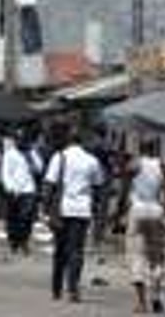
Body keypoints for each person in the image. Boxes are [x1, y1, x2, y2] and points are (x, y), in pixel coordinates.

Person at [44, 128, 105, 303]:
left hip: (62, 210)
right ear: (82, 142)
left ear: (68, 140)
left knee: (60, 249)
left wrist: (45, 208)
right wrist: (97, 209)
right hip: (82, 211)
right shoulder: (92, 161)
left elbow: (49, 184)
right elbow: (98, 186)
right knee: (76, 251)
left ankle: (56, 289)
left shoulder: (59, 157)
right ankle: (72, 288)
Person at [122, 138, 165, 314]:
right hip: (156, 211)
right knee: (156, 257)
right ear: (155, 149)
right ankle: (155, 297)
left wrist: (120, 212)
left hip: (138, 211)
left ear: (140, 149)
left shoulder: (135, 164)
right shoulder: (161, 166)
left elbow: (125, 188)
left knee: (137, 255)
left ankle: (141, 303)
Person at [0, 132, 41, 255]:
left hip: (29, 190)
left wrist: (31, 157)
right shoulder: (10, 154)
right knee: (13, 217)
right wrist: (10, 187)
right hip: (14, 190)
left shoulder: (31, 153)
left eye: (24, 140)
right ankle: (13, 241)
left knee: (26, 218)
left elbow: (39, 169)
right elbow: (5, 173)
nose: (21, 142)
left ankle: (24, 241)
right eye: (19, 140)